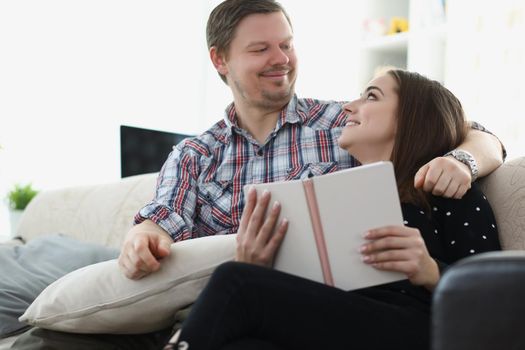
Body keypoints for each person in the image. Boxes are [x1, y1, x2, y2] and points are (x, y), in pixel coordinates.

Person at [118, 0, 504, 280]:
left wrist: (461, 162)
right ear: (220, 60)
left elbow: (460, 129)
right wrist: (140, 241)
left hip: (330, 298)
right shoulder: (194, 155)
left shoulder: (347, 122)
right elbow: (158, 221)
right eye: (260, 49)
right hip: (236, 297)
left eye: (286, 44)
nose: (281, 59)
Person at [166, 69, 502, 350]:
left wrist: (430, 271)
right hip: (341, 322)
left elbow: (497, 304)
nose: (349, 107)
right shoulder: (343, 192)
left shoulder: (449, 191)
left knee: (235, 280)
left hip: (415, 327)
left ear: (414, 115)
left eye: (371, 96)